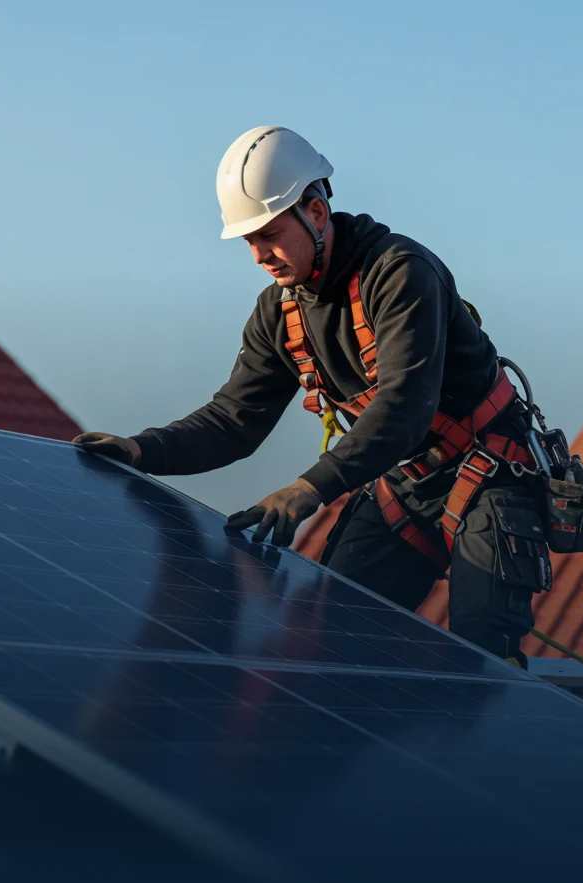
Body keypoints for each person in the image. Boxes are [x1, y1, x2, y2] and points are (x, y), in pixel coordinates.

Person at [74, 125, 553, 668]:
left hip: (489, 475)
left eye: (270, 234)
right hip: (406, 487)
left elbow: (405, 409)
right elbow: (234, 419)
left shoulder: (399, 274)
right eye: (249, 241)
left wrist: (309, 489)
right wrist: (142, 451)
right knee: (329, 643)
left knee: (482, 660)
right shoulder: (278, 313)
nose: (259, 255)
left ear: (317, 211)